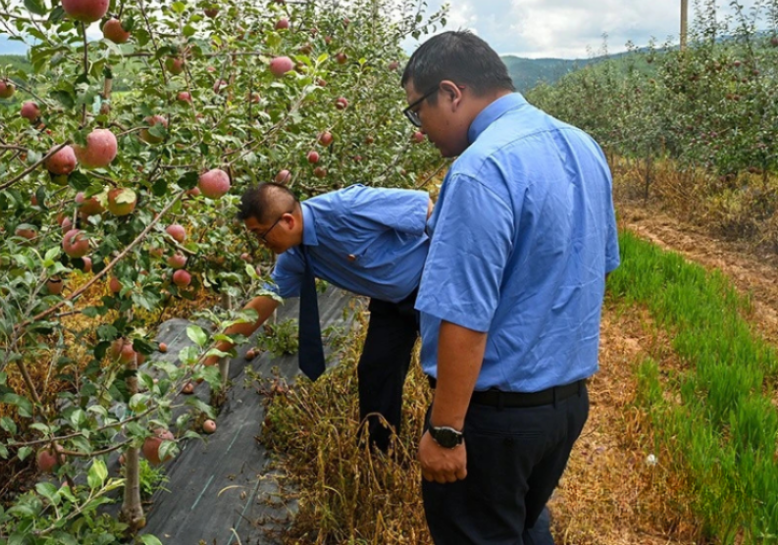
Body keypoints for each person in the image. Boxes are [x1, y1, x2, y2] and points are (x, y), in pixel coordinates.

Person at [400, 30, 619, 544]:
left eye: (416, 111)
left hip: (496, 419)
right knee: (523, 525)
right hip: (564, 408)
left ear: (450, 94)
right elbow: (596, 268)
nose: (420, 129)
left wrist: (446, 431)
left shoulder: (480, 170)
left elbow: (464, 315)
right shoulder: (583, 145)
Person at [214, 182, 432, 453]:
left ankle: (451, 442)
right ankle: (379, 453)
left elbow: (425, 209)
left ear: (288, 221)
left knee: (443, 368)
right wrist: (211, 356)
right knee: (375, 371)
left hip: (431, 284)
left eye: (261, 234)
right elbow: (259, 306)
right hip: (390, 300)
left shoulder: (347, 206)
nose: (262, 244)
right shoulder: (294, 257)